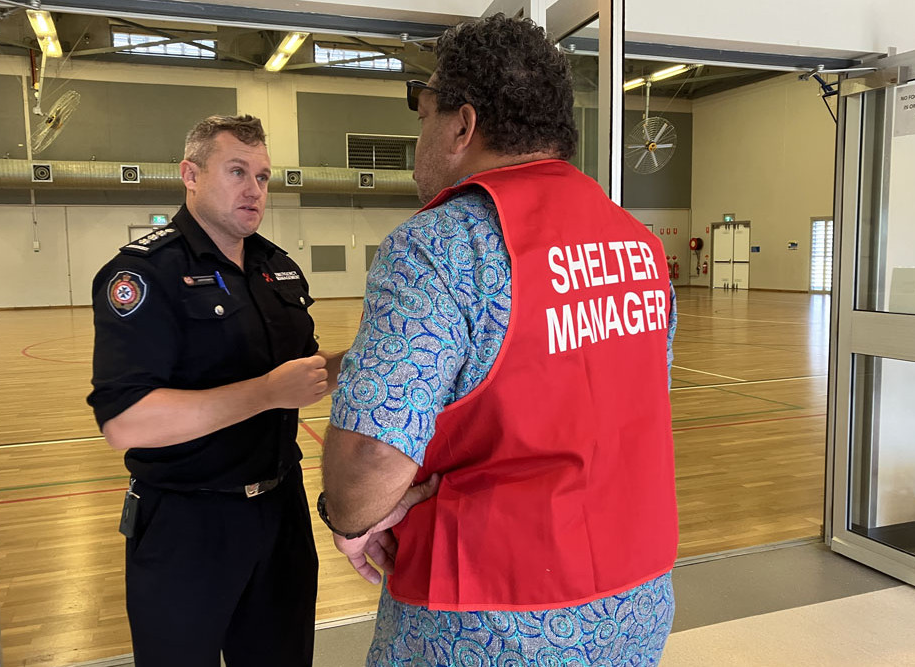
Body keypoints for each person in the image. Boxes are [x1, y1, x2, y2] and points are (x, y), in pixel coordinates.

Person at [318, 14, 679, 665]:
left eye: (424, 116)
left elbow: (370, 462)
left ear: (462, 124)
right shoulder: (641, 246)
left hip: (487, 619)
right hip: (636, 601)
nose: (421, 137)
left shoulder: (439, 245)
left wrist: (348, 517)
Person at [87, 114, 336, 667]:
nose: (254, 189)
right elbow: (125, 421)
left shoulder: (279, 269)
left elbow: (306, 373)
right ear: (190, 175)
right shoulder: (144, 275)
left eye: (265, 176)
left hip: (280, 513)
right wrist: (267, 392)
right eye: (237, 171)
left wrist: (376, 354)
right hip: (187, 524)